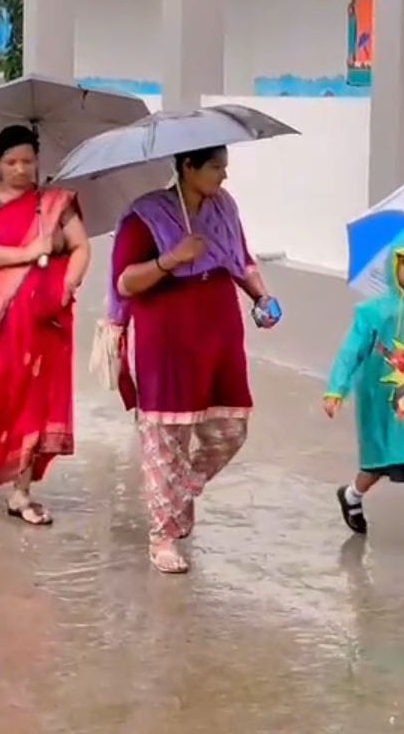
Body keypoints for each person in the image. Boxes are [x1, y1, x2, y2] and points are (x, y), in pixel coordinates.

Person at [109, 145, 280, 574]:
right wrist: (171, 259)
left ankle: (178, 490)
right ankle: (163, 537)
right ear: (187, 167)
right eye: (216, 167)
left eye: (224, 166)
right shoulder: (144, 216)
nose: (224, 175)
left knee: (230, 430)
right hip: (166, 336)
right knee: (166, 437)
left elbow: (240, 259)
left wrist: (262, 296)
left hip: (219, 332)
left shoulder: (224, 207)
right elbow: (125, 283)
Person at [0, 124, 90, 525]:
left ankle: (21, 494)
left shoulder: (54, 202)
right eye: (11, 162)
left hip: (44, 320)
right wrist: (26, 252)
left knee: (34, 401)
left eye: (27, 161)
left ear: (38, 161)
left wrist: (68, 284)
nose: (20, 169)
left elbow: (81, 246)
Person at [324, 231, 404, 554]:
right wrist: (336, 389)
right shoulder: (373, 312)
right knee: (380, 463)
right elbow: (351, 351)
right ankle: (352, 494)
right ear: (393, 266)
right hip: (386, 403)